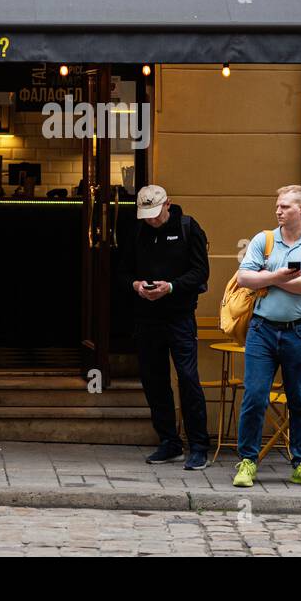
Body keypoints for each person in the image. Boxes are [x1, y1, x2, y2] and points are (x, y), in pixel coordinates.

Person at [231, 185, 301, 489]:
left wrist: (268, 277)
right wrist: (281, 277)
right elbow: (244, 278)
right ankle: (248, 461)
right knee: (255, 396)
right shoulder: (264, 239)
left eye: (286, 206)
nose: (278, 211)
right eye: (277, 206)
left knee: (300, 400)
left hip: (299, 331)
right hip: (262, 330)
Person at [115, 184, 211, 470]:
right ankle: (169, 442)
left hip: (179, 315)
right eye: (147, 216)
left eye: (156, 215)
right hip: (146, 317)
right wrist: (135, 285)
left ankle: (198, 445)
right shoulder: (137, 230)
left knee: (188, 378)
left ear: (168, 204)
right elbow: (121, 270)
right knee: (154, 380)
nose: (152, 220)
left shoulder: (188, 228)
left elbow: (200, 272)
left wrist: (170, 287)